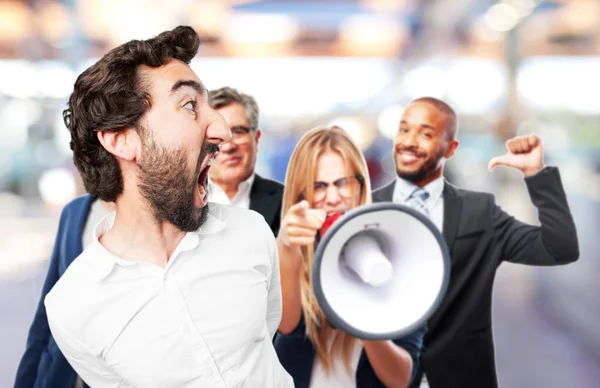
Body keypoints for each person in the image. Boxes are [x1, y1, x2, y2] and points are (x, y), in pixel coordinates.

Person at [42, 26, 293, 388]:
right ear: (122, 140)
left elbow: (267, 331)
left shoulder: (251, 233)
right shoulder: (72, 308)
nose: (222, 129)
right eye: (190, 105)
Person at [372, 97, 580, 388]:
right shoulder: (365, 211)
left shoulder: (479, 213)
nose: (409, 141)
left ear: (451, 148)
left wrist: (536, 175)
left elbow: (559, 248)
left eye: (426, 134)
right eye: (404, 130)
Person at [274, 125, 426, 388]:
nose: (332, 198)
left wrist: (363, 316)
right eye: (318, 186)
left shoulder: (400, 254)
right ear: (300, 193)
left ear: (360, 185)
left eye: (342, 183)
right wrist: (286, 251)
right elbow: (286, 326)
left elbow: (401, 378)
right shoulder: (286, 252)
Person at [15, 196, 112, 388]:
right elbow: (46, 310)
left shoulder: (149, 216)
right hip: (59, 374)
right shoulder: (75, 211)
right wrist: (25, 380)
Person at [207, 87, 284, 235]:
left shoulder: (287, 202)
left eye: (238, 132)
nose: (229, 146)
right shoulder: (179, 202)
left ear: (257, 138)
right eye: (217, 135)